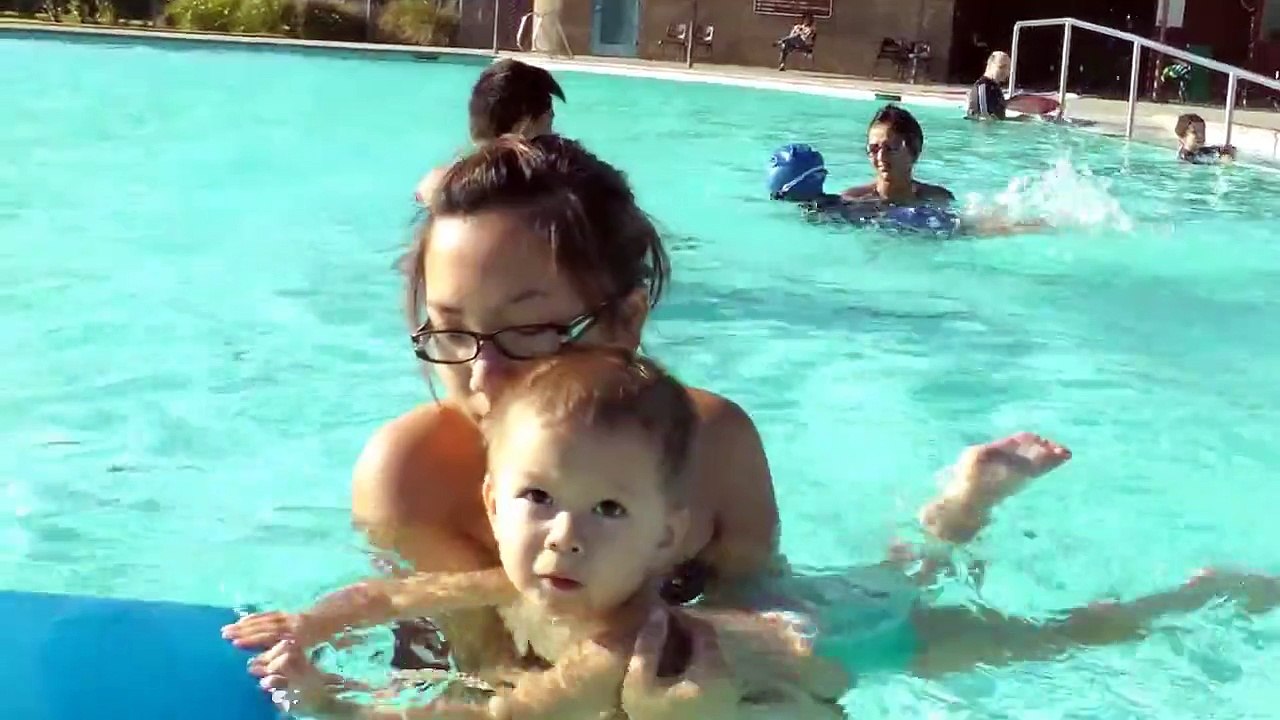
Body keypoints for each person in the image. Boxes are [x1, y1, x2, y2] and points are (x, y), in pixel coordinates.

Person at [323, 133, 1080, 717]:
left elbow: (778, 625)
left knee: (891, 606)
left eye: (530, 334)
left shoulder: (713, 446)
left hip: (692, 654)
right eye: (453, 331)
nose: (482, 378)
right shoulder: (413, 478)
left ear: (625, 318)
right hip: (548, 688)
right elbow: (462, 676)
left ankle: (955, 514)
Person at [228, 348, 849, 719]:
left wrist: (333, 699)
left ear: (665, 539)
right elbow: (389, 596)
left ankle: (945, 528)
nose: (565, 536)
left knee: (918, 636)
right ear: (493, 505)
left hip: (795, 665)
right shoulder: (514, 584)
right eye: (539, 498)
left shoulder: (615, 650)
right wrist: (306, 624)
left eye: (607, 509)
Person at [413, 58, 566, 206]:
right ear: (524, 125)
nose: (551, 132)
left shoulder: (437, 185)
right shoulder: (544, 190)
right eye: (548, 119)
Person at [966, 51, 1061, 121]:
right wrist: (1015, 120)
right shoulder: (982, 88)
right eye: (1001, 66)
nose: (1006, 71)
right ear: (989, 66)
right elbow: (984, 121)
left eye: (1008, 68)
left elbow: (996, 116)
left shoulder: (993, 88)